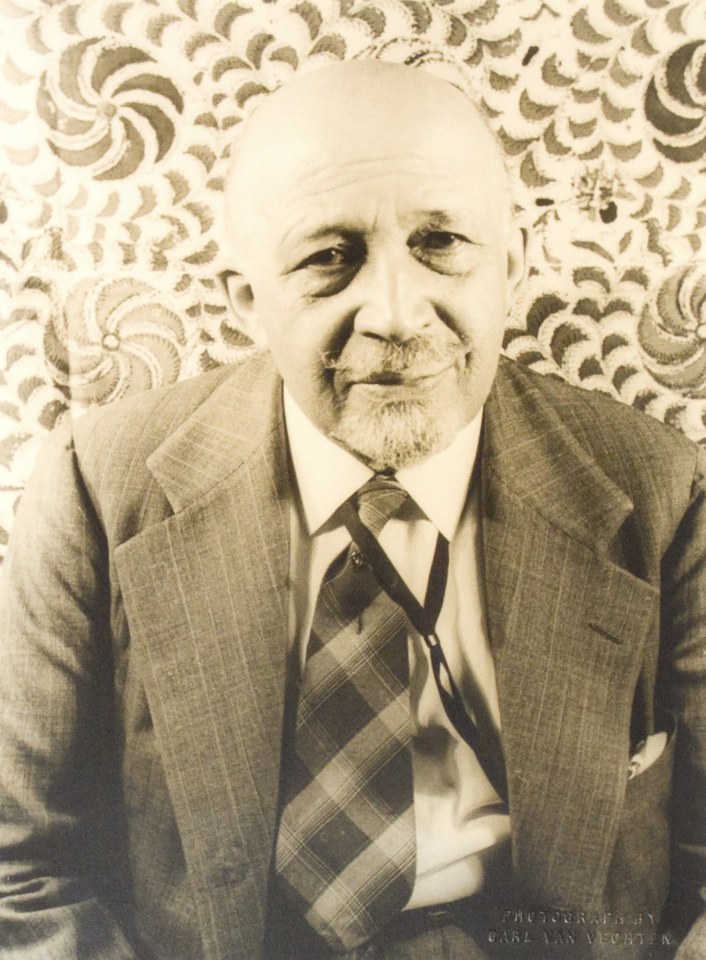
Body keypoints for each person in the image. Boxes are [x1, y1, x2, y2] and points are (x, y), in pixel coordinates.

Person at [0, 59, 704, 960]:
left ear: (512, 265)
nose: (397, 315)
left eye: (442, 242)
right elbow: (20, 871)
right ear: (248, 299)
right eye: (329, 257)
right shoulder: (96, 487)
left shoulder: (661, 491)